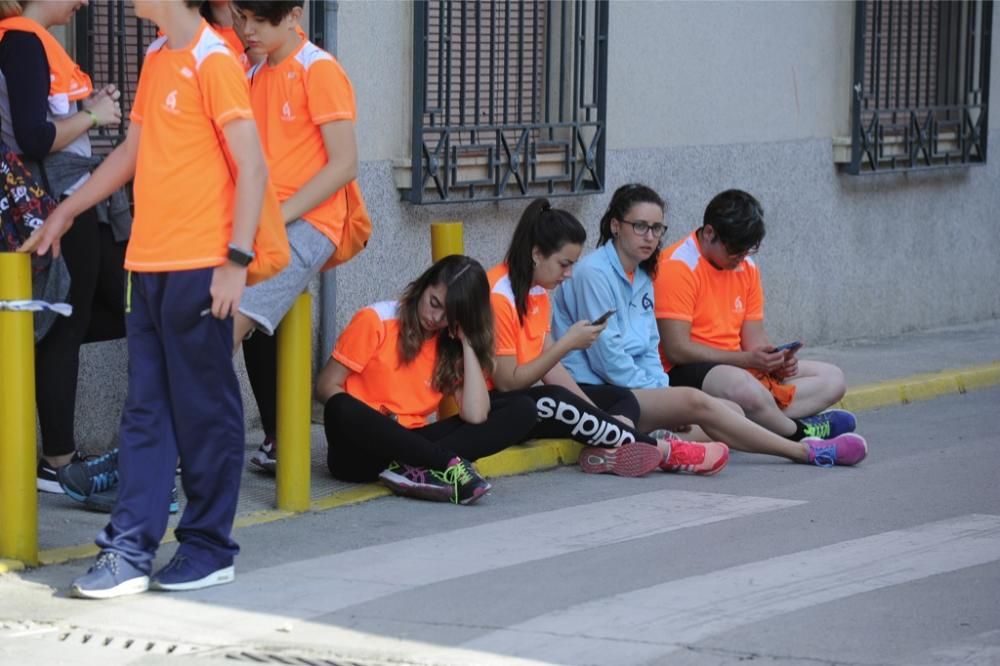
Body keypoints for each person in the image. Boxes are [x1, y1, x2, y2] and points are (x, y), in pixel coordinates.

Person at [22, 0, 269, 598]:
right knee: (145, 413)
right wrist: (67, 209)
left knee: (204, 410)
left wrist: (235, 262)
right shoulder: (159, 55)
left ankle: (208, 547)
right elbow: (134, 152)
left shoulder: (215, 58)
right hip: (148, 265)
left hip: (201, 267)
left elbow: (254, 168)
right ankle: (128, 551)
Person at [552, 184, 868, 468]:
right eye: (640, 227)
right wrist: (665, 398)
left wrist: (663, 394)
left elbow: (649, 346)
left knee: (733, 410)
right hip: (600, 387)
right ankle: (804, 448)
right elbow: (610, 359)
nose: (650, 237)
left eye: (657, 228)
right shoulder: (595, 274)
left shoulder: (644, 274)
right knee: (711, 406)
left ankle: (645, 444)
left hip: (637, 385)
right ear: (615, 226)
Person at [487, 197, 724, 477]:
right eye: (564, 264)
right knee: (549, 400)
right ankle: (666, 451)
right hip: (499, 407)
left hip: (525, 398)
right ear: (537, 254)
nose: (569, 274)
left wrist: (597, 414)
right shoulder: (500, 296)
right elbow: (507, 381)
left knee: (621, 400)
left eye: (572, 264)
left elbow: (551, 368)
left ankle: (611, 448)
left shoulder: (537, 290)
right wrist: (568, 343)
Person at [0, 0, 126, 494]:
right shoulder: (23, 40)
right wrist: (94, 116)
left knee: (111, 308)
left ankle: (57, 453)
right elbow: (34, 137)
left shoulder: (29, 41)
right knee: (65, 323)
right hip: (58, 204)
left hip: (71, 202)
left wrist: (89, 109)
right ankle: (57, 457)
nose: (85, 2)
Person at [230, 0, 358, 474]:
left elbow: (344, 164)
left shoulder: (318, 69)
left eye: (260, 21)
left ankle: (180, 449)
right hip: (262, 221)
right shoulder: (255, 74)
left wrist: (278, 217)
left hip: (309, 223)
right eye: (242, 18)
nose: (248, 30)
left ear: (295, 16)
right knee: (205, 321)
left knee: (223, 327)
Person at [316, 255, 538, 505]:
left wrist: (466, 341)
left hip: (415, 441)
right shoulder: (377, 319)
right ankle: (443, 464)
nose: (436, 318)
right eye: (434, 303)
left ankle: (415, 468)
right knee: (339, 405)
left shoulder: (448, 342)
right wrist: (380, 425)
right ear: (425, 285)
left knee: (523, 409)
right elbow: (325, 386)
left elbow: (475, 415)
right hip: (361, 449)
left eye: (448, 315)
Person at [654, 189, 859, 445]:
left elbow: (754, 339)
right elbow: (677, 351)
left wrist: (775, 360)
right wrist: (746, 359)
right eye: (734, 251)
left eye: (747, 251)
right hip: (690, 370)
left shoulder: (746, 266)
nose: (740, 258)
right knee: (744, 390)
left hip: (739, 366)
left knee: (833, 378)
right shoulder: (677, 266)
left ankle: (753, 423)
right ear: (709, 234)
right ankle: (798, 433)